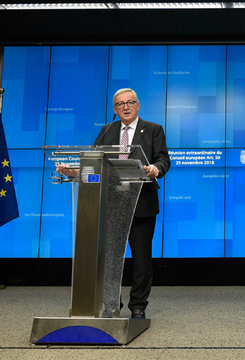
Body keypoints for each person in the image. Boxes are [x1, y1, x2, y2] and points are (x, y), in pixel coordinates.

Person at [58, 88, 170, 319]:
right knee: (110, 259)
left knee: (141, 260)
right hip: (110, 203)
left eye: (130, 103)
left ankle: (138, 307)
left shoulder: (153, 129)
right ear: (114, 109)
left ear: (138, 106)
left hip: (141, 203)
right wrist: (73, 172)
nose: (126, 107)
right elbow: (93, 162)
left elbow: (163, 158)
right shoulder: (107, 130)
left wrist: (154, 169)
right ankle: (111, 305)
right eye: (120, 104)